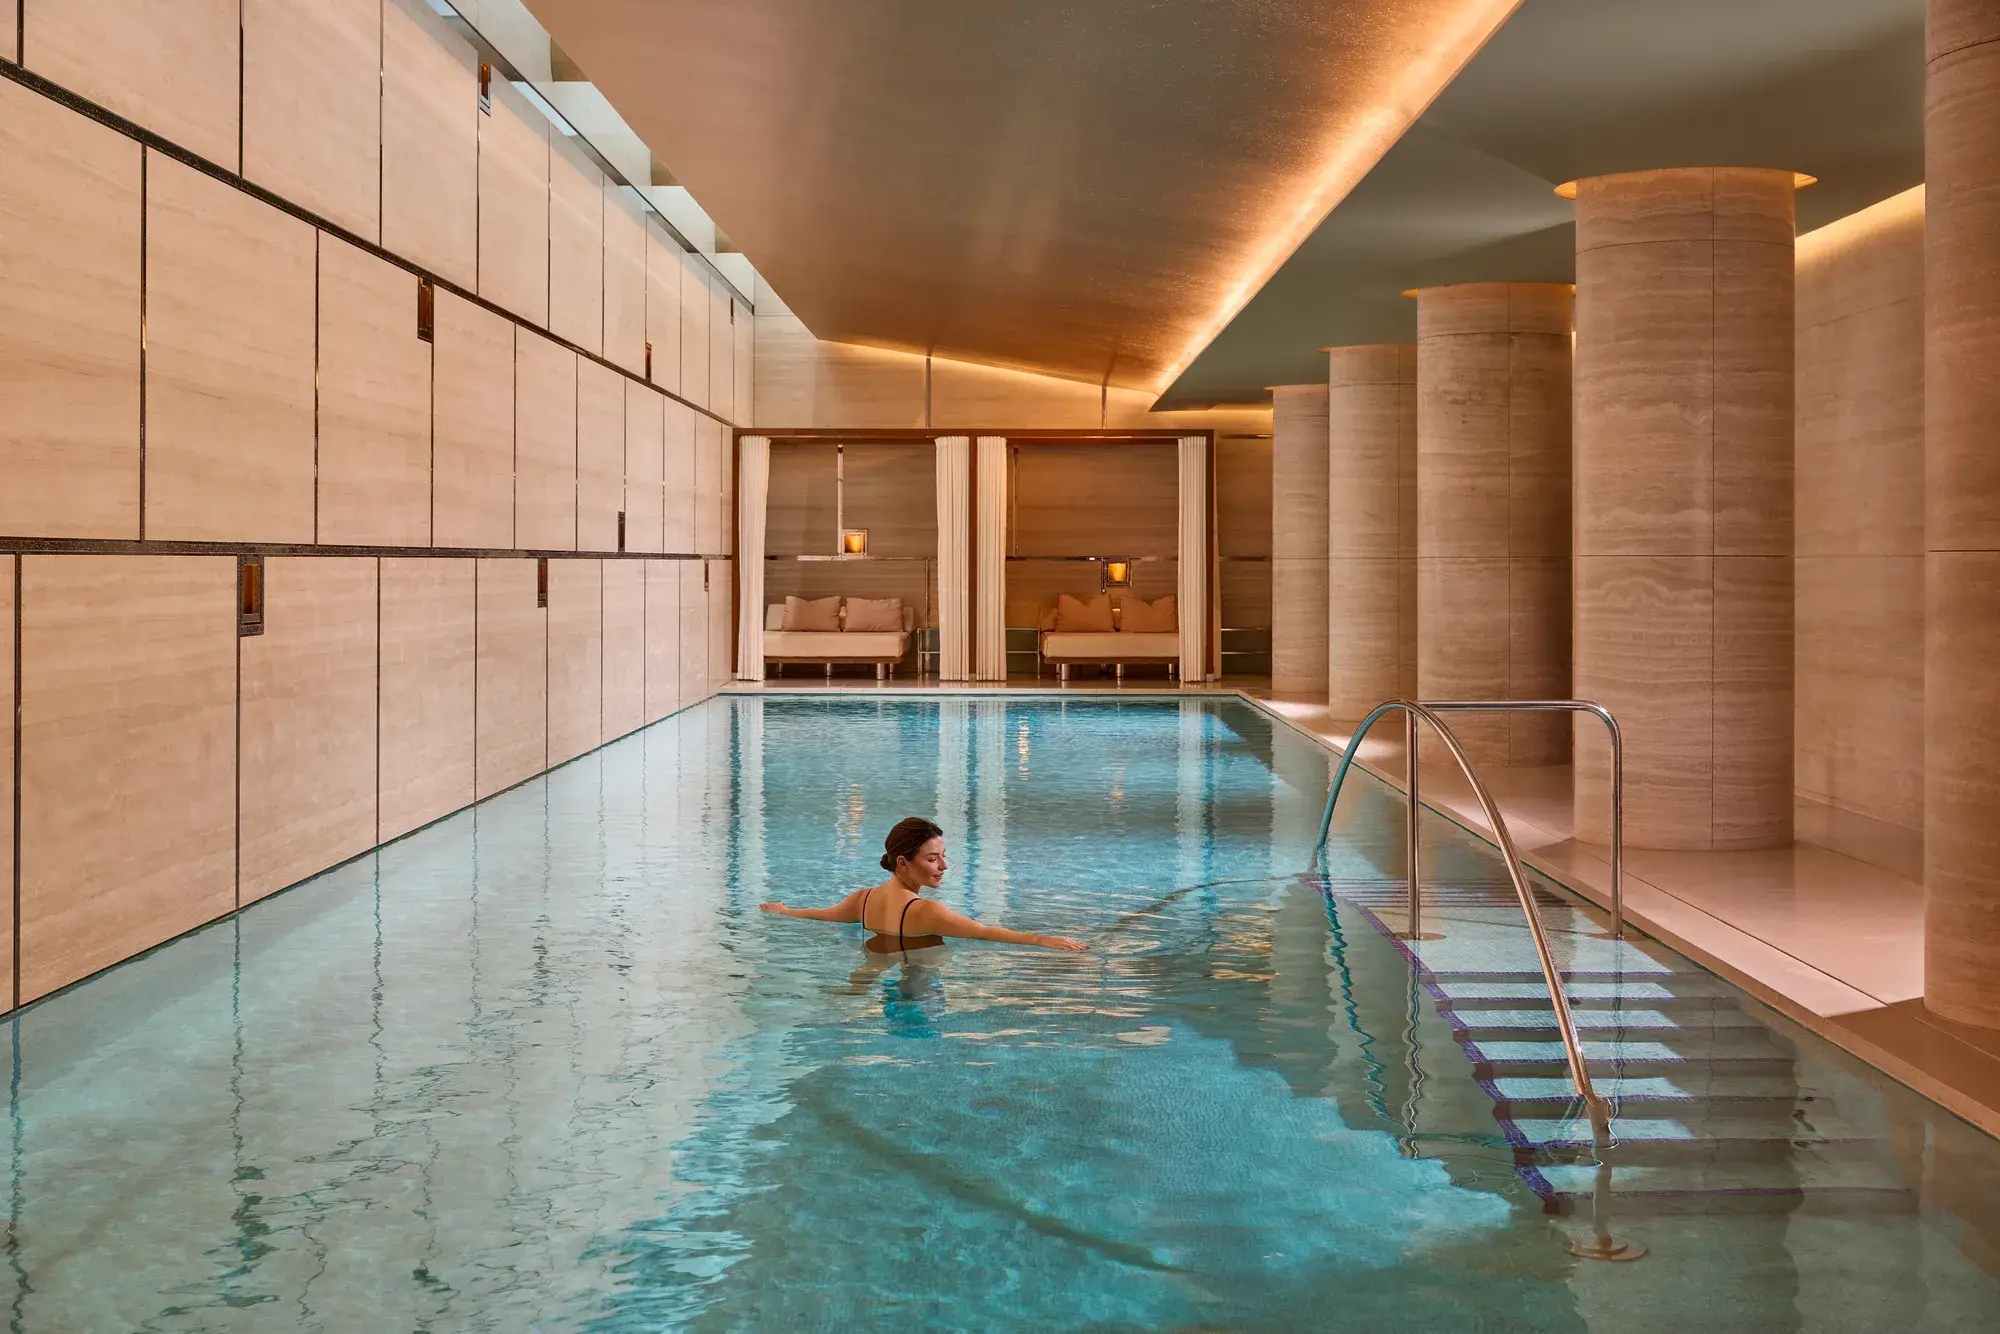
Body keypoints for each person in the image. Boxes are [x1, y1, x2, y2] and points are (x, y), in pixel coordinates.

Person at [760, 817, 1088, 952]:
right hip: (915, 992)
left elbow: (825, 915)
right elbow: (986, 932)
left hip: (879, 970)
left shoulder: (863, 899)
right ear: (903, 862)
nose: (943, 866)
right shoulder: (926, 911)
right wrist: (1046, 940)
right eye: (933, 859)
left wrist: (785, 911)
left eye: (943, 856)